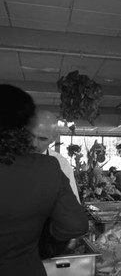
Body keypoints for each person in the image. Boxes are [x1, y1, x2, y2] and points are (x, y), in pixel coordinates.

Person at [0, 84, 88, 276]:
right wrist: (42, 238)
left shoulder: (55, 164)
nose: (33, 144)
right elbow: (75, 224)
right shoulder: (47, 168)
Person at [27, 109, 80, 202]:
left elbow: (71, 205)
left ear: (54, 138)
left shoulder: (61, 164)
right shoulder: (9, 157)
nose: (34, 144)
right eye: (30, 136)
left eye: (42, 139)